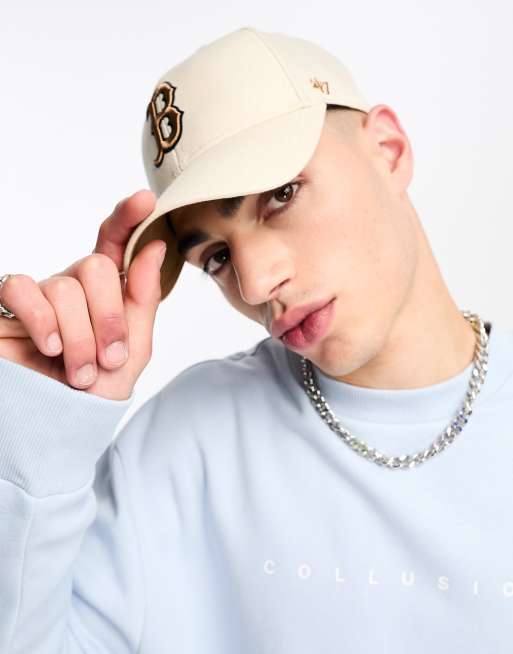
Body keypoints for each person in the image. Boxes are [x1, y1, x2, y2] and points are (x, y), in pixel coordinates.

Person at [0, 25, 511, 654]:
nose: (255, 282)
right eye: (215, 257)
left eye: (281, 195)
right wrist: (41, 436)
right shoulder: (184, 446)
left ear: (388, 149)